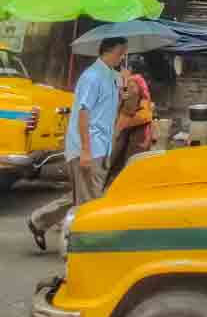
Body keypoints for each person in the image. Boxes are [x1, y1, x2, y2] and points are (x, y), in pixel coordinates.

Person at [27, 35, 127, 251]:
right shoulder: (92, 77)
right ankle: (84, 246)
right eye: (121, 52)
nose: (123, 56)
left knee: (84, 195)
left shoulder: (112, 77)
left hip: (103, 144)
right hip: (90, 144)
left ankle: (39, 220)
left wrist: (122, 90)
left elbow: (111, 111)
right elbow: (83, 112)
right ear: (108, 50)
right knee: (89, 201)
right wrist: (86, 150)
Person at [107, 65, 154, 182]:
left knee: (134, 165)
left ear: (140, 88)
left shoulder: (144, 102)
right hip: (125, 139)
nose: (130, 88)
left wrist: (125, 122)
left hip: (140, 140)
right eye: (129, 86)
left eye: (133, 86)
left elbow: (145, 116)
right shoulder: (126, 98)